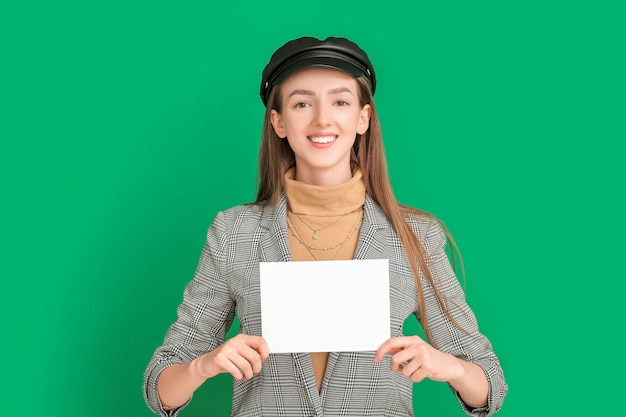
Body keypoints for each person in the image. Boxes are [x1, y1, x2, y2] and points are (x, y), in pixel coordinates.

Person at [143, 36, 507, 416]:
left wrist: (447, 365)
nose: (322, 118)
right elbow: (160, 388)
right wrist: (204, 364)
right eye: (302, 103)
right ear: (279, 121)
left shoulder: (415, 235)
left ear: (363, 117)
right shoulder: (234, 232)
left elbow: (490, 385)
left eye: (340, 101)